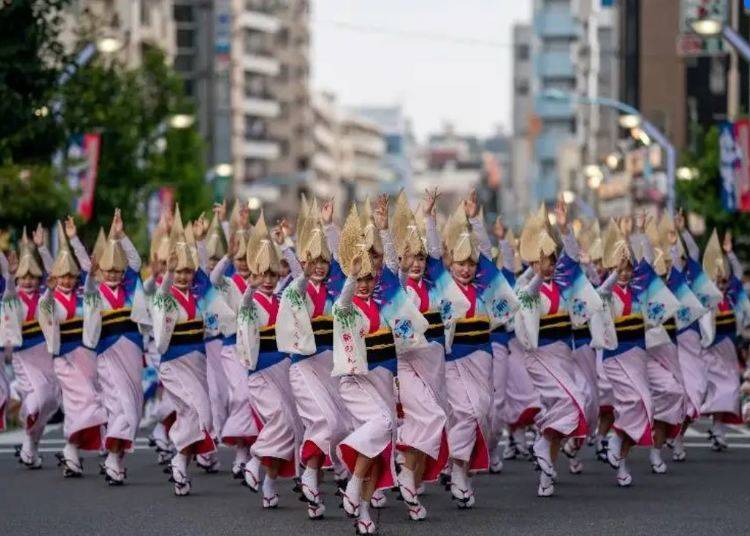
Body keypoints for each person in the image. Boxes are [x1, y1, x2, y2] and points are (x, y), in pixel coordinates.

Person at [515, 205, 601, 497]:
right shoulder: (525, 284)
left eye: (552, 259)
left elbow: (573, 259)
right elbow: (525, 296)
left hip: (565, 353)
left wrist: (565, 229)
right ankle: (541, 444)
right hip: (540, 357)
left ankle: (546, 474)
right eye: (543, 260)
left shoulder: (565, 283)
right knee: (573, 400)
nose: (549, 264)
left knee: (581, 402)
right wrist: (537, 273)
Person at [275, 198, 351, 520]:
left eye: (324, 260)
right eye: (314, 260)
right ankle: (308, 473)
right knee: (325, 421)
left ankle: (313, 492)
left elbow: (347, 267)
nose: (320, 265)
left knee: (337, 425)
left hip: (331, 363)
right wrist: (291, 252)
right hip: (303, 365)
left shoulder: (334, 289)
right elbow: (299, 276)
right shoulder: (296, 289)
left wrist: (330, 225)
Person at [149, 206, 218, 496]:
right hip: (173, 364)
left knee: (196, 416)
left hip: (197, 362)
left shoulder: (200, 295)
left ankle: (180, 464)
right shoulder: (164, 297)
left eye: (187, 271)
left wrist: (199, 242)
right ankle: (177, 455)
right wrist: (169, 267)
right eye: (179, 271)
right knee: (200, 412)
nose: (184, 275)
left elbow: (204, 273)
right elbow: (163, 289)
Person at [235, 213, 301, 509]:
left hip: (284, 369)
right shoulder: (249, 302)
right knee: (281, 420)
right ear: (253, 275)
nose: (268, 280)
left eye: (273, 275)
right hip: (261, 373)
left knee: (292, 426)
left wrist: (286, 245)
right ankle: (253, 460)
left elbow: (300, 277)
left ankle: (270, 481)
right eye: (263, 275)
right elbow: (245, 303)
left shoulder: (283, 299)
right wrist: (250, 285)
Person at [82, 210, 149, 485]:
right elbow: (87, 290)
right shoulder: (95, 293)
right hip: (108, 352)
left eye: (116, 270)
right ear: (99, 272)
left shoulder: (130, 286)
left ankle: (117, 459)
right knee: (119, 406)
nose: (112, 274)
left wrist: (120, 235)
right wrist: (89, 274)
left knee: (133, 405)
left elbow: (135, 261)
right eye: (107, 270)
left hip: (132, 349)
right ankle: (112, 456)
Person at [38, 219, 107, 478]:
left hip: (86, 353)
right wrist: (49, 287)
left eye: (71, 276)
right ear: (55, 277)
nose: (67, 280)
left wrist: (74, 239)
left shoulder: (84, 294)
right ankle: (71, 448)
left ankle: (71, 452)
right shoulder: (50, 299)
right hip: (64, 357)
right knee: (85, 399)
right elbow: (44, 312)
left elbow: (90, 270)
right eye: (62, 276)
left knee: (81, 402)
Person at [208, 205, 263, 482]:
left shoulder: (262, 283)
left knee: (257, 399)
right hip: (231, 347)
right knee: (240, 395)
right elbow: (212, 278)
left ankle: (250, 453)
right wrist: (228, 252)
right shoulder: (228, 283)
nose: (243, 262)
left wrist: (247, 226)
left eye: (246, 257)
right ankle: (242, 449)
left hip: (257, 347)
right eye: (238, 258)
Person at [0, 227, 60, 468]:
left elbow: (54, 276)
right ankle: (28, 440)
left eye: (33, 277)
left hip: (45, 353)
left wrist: (42, 248)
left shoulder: (44, 295)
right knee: (36, 401)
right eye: (24, 277)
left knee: (48, 400)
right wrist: (11, 275)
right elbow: (9, 294)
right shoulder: (12, 296)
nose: (29, 281)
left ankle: (31, 446)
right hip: (23, 355)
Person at [699, 229, 749, 449]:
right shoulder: (706, 299)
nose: (721, 282)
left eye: (723, 279)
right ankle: (716, 431)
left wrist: (730, 253)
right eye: (716, 279)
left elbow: (738, 273)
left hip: (728, 351)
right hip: (711, 351)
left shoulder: (731, 295)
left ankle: (718, 430)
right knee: (713, 389)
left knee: (728, 390)